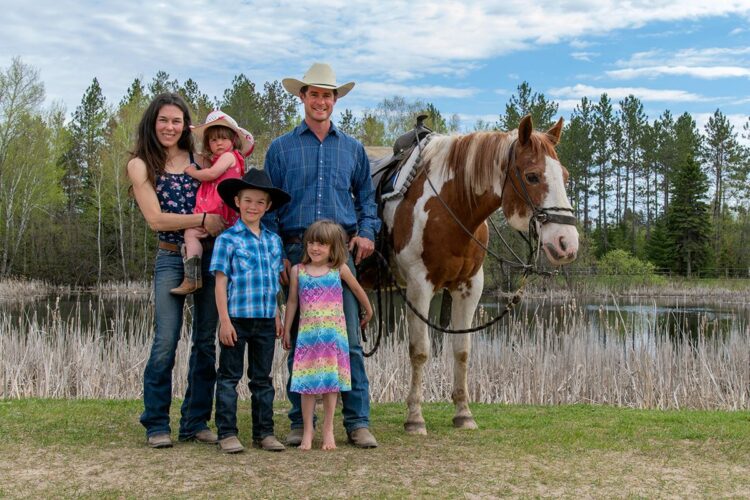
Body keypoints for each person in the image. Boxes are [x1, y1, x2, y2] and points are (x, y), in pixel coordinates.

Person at [264, 62, 381, 448]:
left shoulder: (352, 149)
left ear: (335, 100)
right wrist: (280, 252)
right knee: (301, 340)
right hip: (297, 251)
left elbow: (366, 199)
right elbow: (268, 207)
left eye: (327, 95)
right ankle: (302, 421)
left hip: (338, 254)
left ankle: (357, 420)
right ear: (303, 97)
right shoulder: (281, 148)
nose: (320, 101)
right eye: (314, 93)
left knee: (346, 338)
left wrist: (366, 233)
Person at [126, 93, 224, 448]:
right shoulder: (141, 165)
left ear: (186, 126)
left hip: (210, 256)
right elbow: (155, 219)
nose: (170, 127)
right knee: (166, 340)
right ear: (153, 123)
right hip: (171, 257)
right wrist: (202, 219)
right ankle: (155, 422)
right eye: (163, 120)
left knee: (204, 342)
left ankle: (195, 421)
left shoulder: (199, 161)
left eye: (176, 121)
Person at [210, 168, 291, 454]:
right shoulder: (228, 240)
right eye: (248, 201)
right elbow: (221, 284)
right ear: (237, 202)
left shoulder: (273, 241)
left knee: (262, 379)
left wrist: (278, 315)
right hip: (237, 319)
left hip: (266, 320)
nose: (253, 207)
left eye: (259, 202)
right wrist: (224, 321)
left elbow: (274, 284)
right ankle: (227, 433)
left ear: (268, 206)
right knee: (229, 378)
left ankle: (264, 433)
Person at [283, 220, 373, 450]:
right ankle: (307, 431)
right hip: (308, 338)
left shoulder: (339, 269)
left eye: (322, 244)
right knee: (306, 385)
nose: (315, 248)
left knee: (332, 385)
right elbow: (292, 301)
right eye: (312, 242)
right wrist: (286, 329)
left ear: (333, 248)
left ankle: (328, 429)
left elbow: (356, 289)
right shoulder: (298, 271)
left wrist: (368, 309)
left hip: (333, 338)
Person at [170, 110, 254, 295]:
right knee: (194, 234)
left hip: (218, 209)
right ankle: (195, 276)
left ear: (233, 140)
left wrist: (191, 172)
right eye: (213, 140)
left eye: (223, 138)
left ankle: (192, 277)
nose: (219, 143)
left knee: (191, 233)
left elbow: (211, 175)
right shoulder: (219, 159)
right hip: (219, 210)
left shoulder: (229, 156)